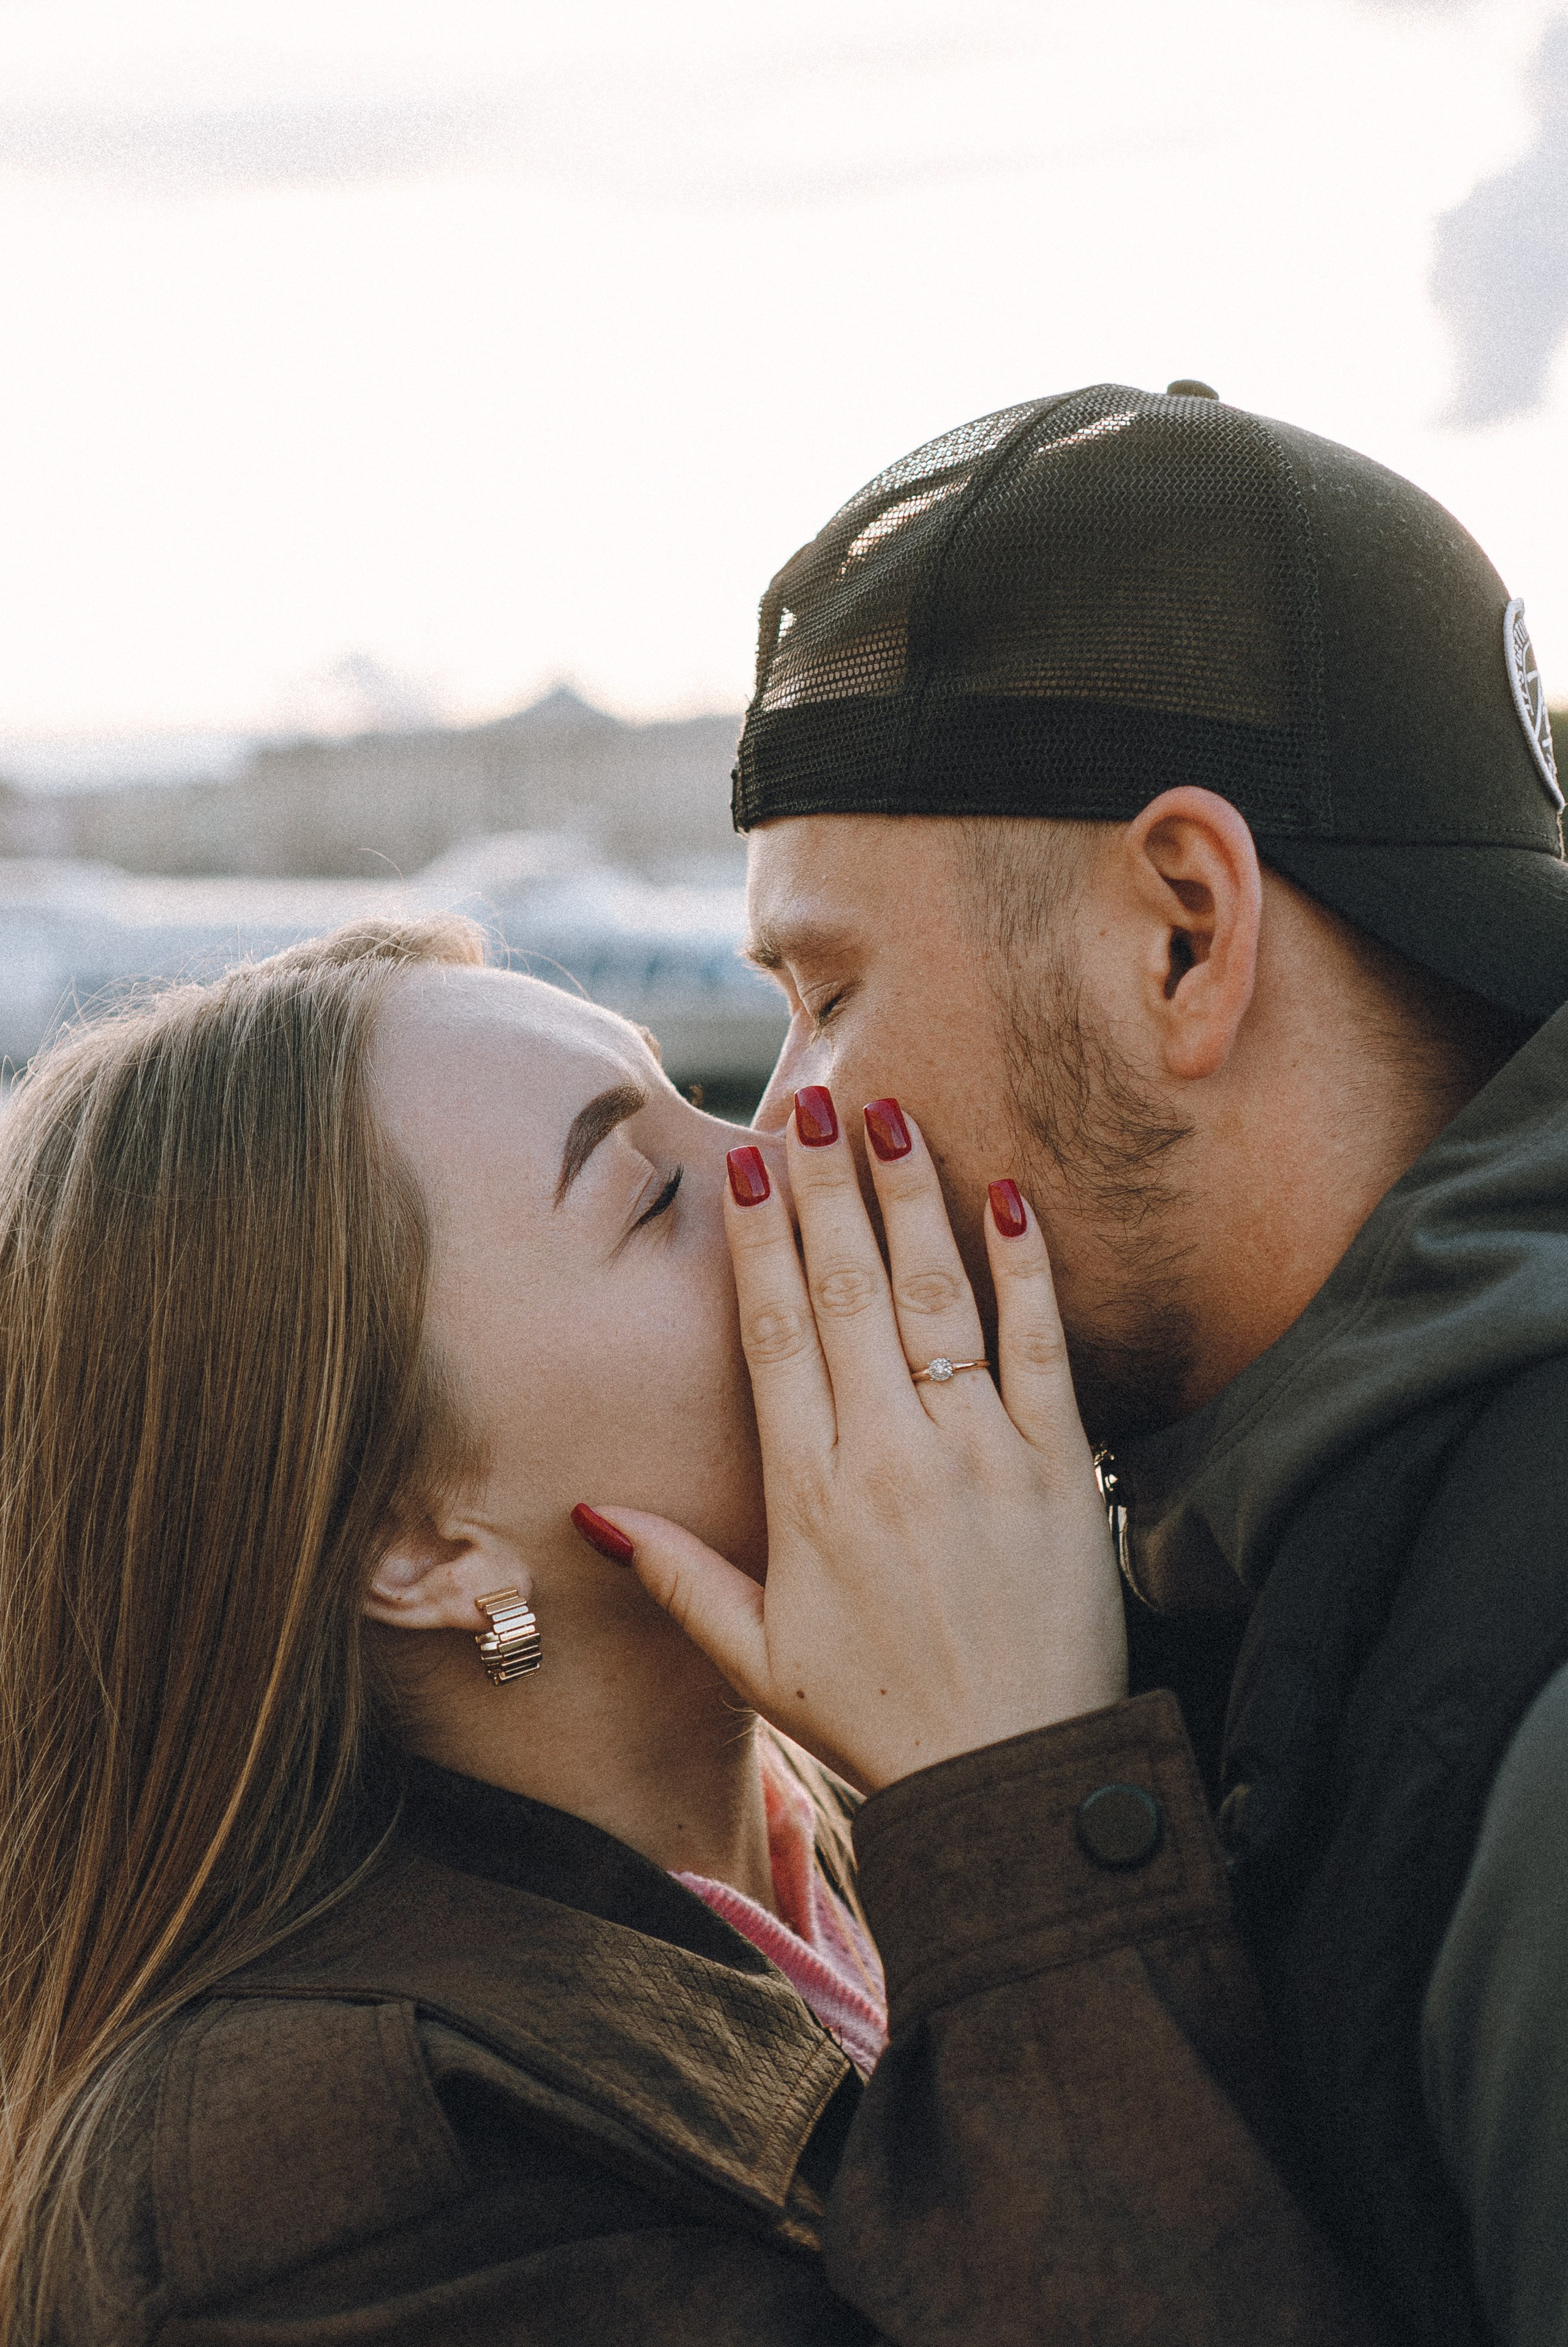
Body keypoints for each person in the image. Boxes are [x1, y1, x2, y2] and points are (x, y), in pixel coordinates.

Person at [0, 917, 1370, 2343]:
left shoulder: (851, 1813)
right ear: (413, 1544)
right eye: (648, 1192)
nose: (777, 1146)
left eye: (697, 1092)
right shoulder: (309, 2188)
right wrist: (1017, 1797)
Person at [611, 380, 1567, 2347]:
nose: (779, 1128)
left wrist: (1010, 1816)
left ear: (1184, 940)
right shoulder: (1283, 1521)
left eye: (829, 991)